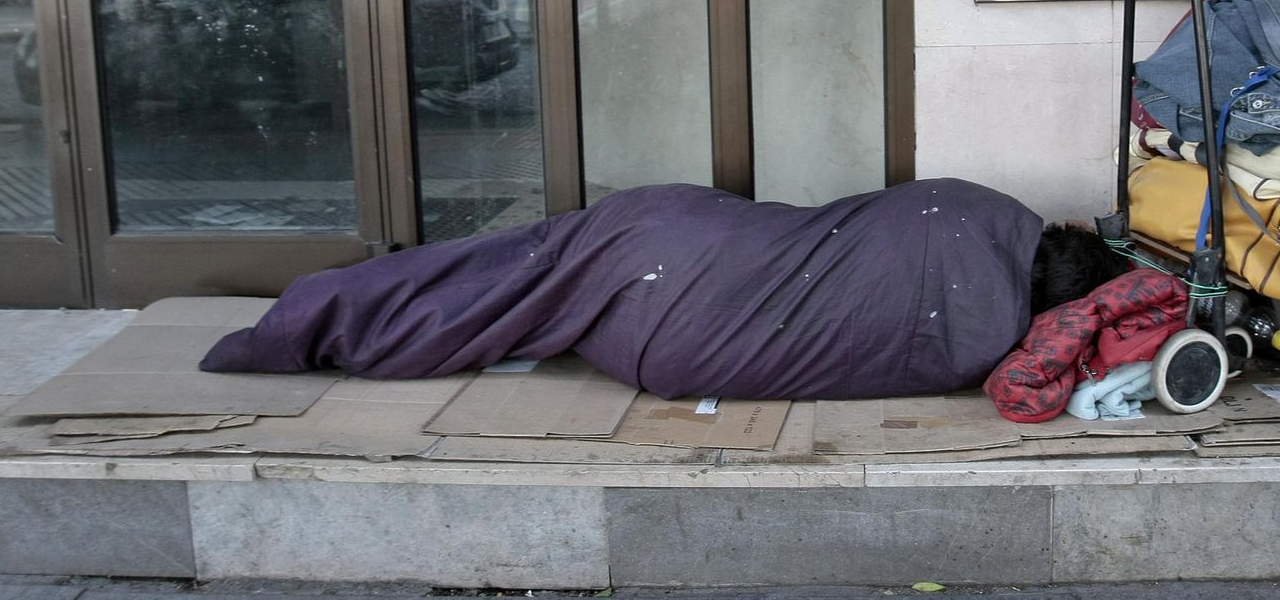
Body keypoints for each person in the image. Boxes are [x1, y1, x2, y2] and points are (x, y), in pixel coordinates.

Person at [202, 178, 1129, 401]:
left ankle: (336, 301)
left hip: (671, 239)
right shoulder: (982, 344)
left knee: (513, 271)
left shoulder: (972, 208)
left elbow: (875, 217)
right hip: (672, 353)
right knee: (516, 303)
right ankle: (341, 314)